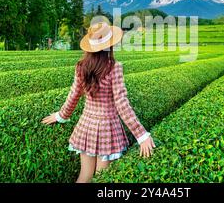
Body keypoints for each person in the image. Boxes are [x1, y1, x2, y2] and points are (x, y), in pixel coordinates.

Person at [42, 22, 155, 183]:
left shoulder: (81, 67)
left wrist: (61, 116)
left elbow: (74, 95)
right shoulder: (114, 67)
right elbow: (121, 103)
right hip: (107, 129)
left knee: (85, 175)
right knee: (102, 178)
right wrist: (141, 135)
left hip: (86, 126)